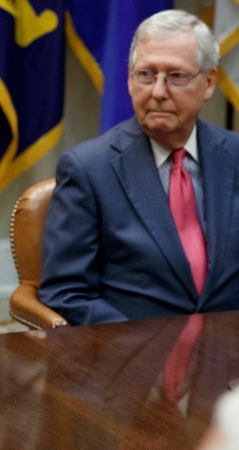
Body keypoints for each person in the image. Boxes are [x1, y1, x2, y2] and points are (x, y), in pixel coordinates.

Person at [39, 9, 239, 325]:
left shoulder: (235, 156)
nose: (158, 92)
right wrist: (141, 343)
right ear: (130, 80)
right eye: (146, 74)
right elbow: (66, 293)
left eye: (176, 76)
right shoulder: (89, 169)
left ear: (209, 82)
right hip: (135, 359)